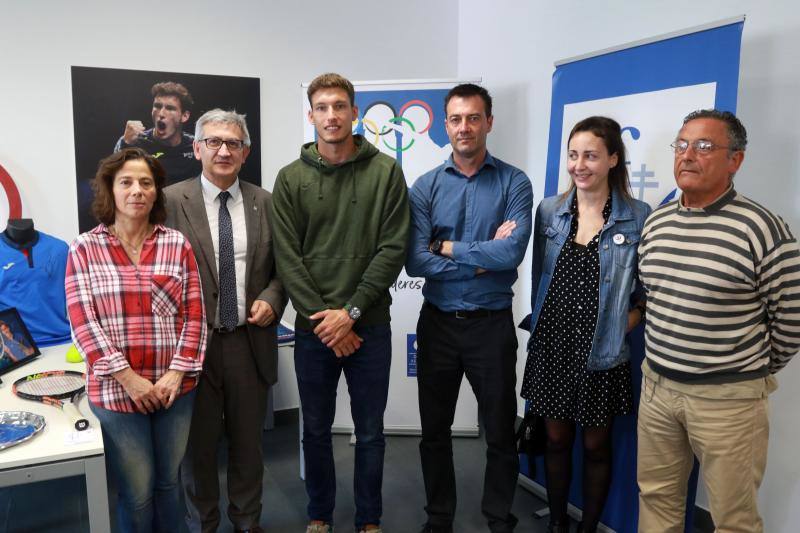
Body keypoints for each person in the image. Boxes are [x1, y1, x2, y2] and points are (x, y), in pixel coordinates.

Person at [637, 109, 800, 532]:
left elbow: (792, 320)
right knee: (657, 500)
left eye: (705, 146)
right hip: (657, 390)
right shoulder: (657, 222)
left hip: (728, 401)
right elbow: (656, 301)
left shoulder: (762, 228)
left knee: (733, 518)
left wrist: (745, 373)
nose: (688, 155)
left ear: (736, 161)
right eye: (682, 144)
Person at [271, 72, 409, 533]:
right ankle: (319, 514)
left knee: (369, 433)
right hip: (314, 333)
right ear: (310, 116)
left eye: (340, 106)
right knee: (314, 431)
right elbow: (288, 258)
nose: (332, 116)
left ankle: (369, 519)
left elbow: (393, 248)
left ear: (354, 113)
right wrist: (328, 323)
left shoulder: (386, 171)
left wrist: (349, 315)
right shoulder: (290, 179)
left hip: (368, 326)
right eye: (322, 108)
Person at [406, 83, 533, 533]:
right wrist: (480, 261)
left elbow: (511, 254)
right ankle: (439, 516)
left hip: (490, 327)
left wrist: (448, 248)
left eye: (474, 118)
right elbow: (417, 259)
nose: (465, 127)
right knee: (434, 432)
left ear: (489, 123)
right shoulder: (425, 187)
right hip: (438, 325)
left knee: (499, 432)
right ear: (446, 126)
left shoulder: (514, 182)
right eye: (456, 119)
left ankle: (499, 517)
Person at [65, 147, 207, 533]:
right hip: (116, 393)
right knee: (137, 491)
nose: (137, 190)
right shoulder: (85, 249)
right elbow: (83, 325)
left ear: (156, 192)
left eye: (146, 183)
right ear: (109, 189)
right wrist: (129, 379)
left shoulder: (175, 244)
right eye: (126, 182)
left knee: (169, 482)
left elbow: (195, 316)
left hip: (173, 390)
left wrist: (176, 374)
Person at [521, 117, 651, 533]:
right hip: (553, 348)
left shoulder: (638, 217)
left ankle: (588, 526)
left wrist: (619, 326)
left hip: (602, 355)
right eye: (573, 155)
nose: (580, 165)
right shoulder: (550, 211)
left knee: (596, 446)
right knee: (556, 441)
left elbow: (646, 293)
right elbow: (541, 278)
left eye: (591, 155)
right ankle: (558, 523)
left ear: (613, 159)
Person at [165, 108, 285, 533]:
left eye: (232, 143)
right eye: (213, 141)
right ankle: (203, 523)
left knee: (248, 444)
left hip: (248, 342)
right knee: (196, 447)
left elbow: (283, 269)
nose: (223, 150)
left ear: (245, 152)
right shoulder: (167, 200)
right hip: (191, 345)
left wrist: (272, 298)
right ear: (196, 148)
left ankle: (247, 521)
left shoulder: (266, 202)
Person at [115, 81, 200, 185]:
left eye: (170, 108)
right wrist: (126, 144)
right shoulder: (135, 142)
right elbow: (116, 179)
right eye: (157, 106)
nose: (161, 113)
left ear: (184, 116)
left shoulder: (195, 145)